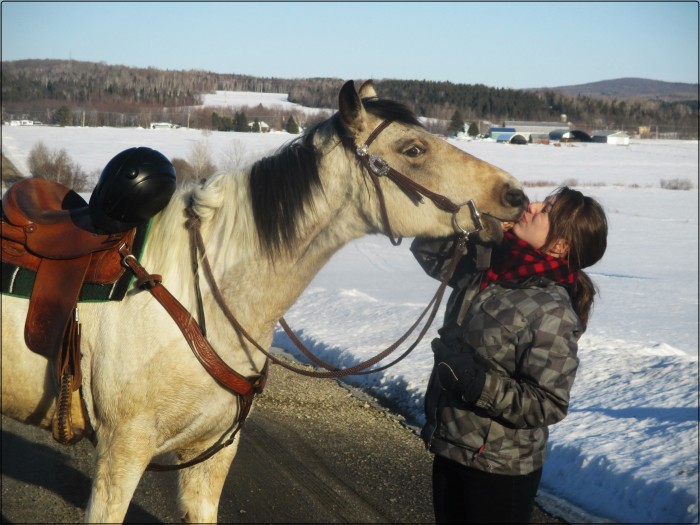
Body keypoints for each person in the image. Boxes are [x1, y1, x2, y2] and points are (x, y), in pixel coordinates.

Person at [411, 186, 608, 524]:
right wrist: (467, 224)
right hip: (452, 448)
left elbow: (548, 402)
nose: (530, 206)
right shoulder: (492, 268)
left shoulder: (553, 311)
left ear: (560, 246)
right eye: (542, 201)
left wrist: (475, 384)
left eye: (545, 210)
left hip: (497, 471)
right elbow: (430, 252)